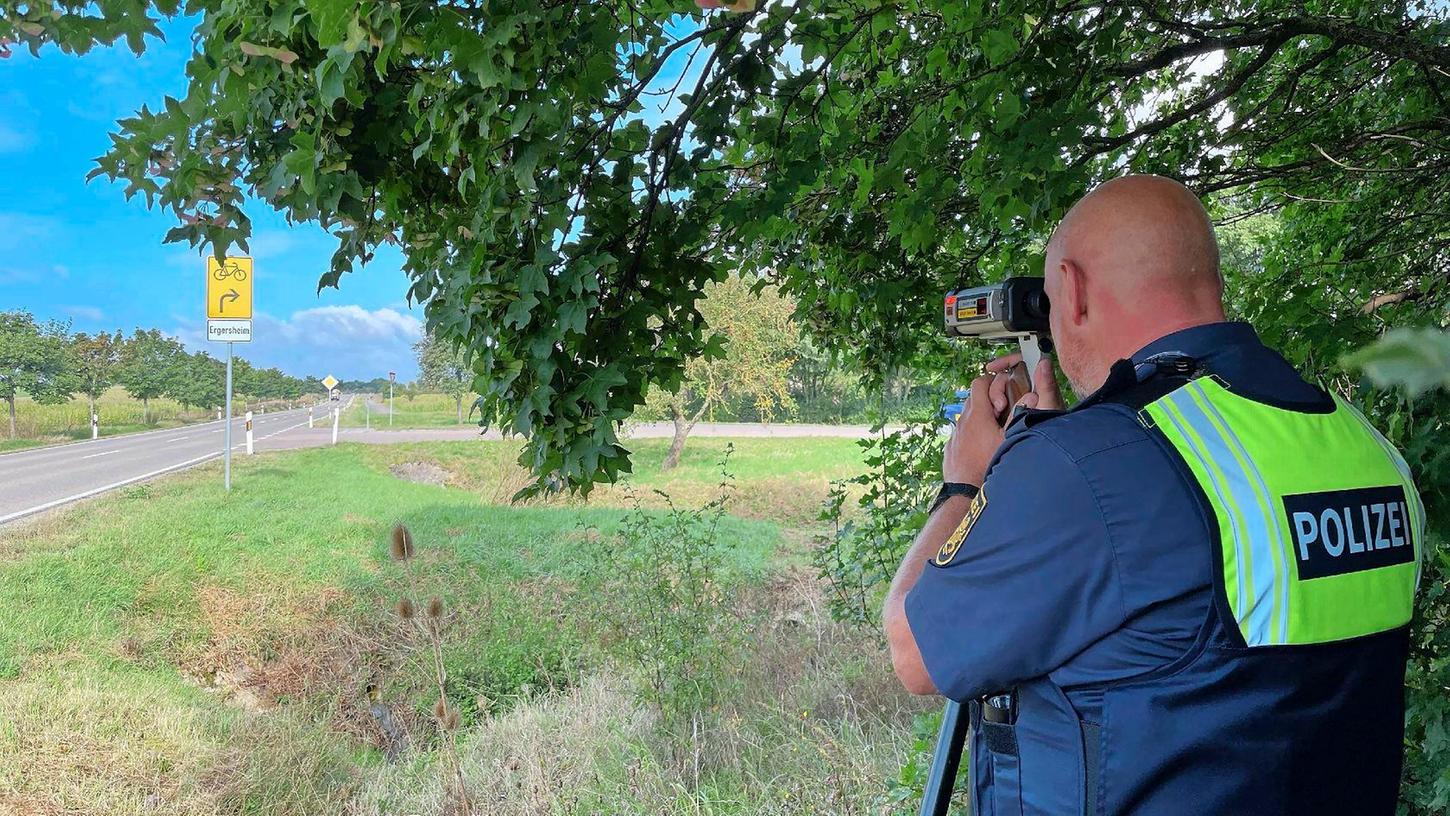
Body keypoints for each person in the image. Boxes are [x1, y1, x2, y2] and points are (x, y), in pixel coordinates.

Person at [883, 175, 1426, 815]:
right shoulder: (1363, 445)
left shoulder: (1087, 467)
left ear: (1074, 290)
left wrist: (966, 481)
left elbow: (914, 653)